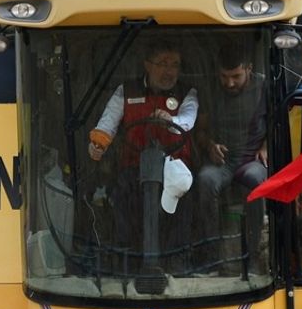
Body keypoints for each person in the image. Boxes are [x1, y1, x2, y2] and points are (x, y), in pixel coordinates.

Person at [86, 40, 199, 269]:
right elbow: (108, 123)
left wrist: (171, 121)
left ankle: (177, 263)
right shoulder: (126, 91)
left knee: (185, 200)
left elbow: (187, 120)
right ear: (147, 65)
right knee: (123, 195)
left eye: (174, 64)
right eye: (163, 64)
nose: (169, 71)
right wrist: (98, 144)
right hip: (134, 167)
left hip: (174, 168)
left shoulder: (188, 92)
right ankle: (127, 261)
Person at [193, 42, 267, 272]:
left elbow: (281, 123)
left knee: (257, 182)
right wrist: (210, 146)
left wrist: (266, 147)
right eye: (224, 76)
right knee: (205, 180)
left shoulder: (265, 87)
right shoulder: (211, 90)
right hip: (222, 161)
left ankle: (253, 254)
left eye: (236, 76)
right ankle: (212, 253)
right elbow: (200, 131)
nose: (229, 83)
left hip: (251, 159)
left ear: (249, 68)